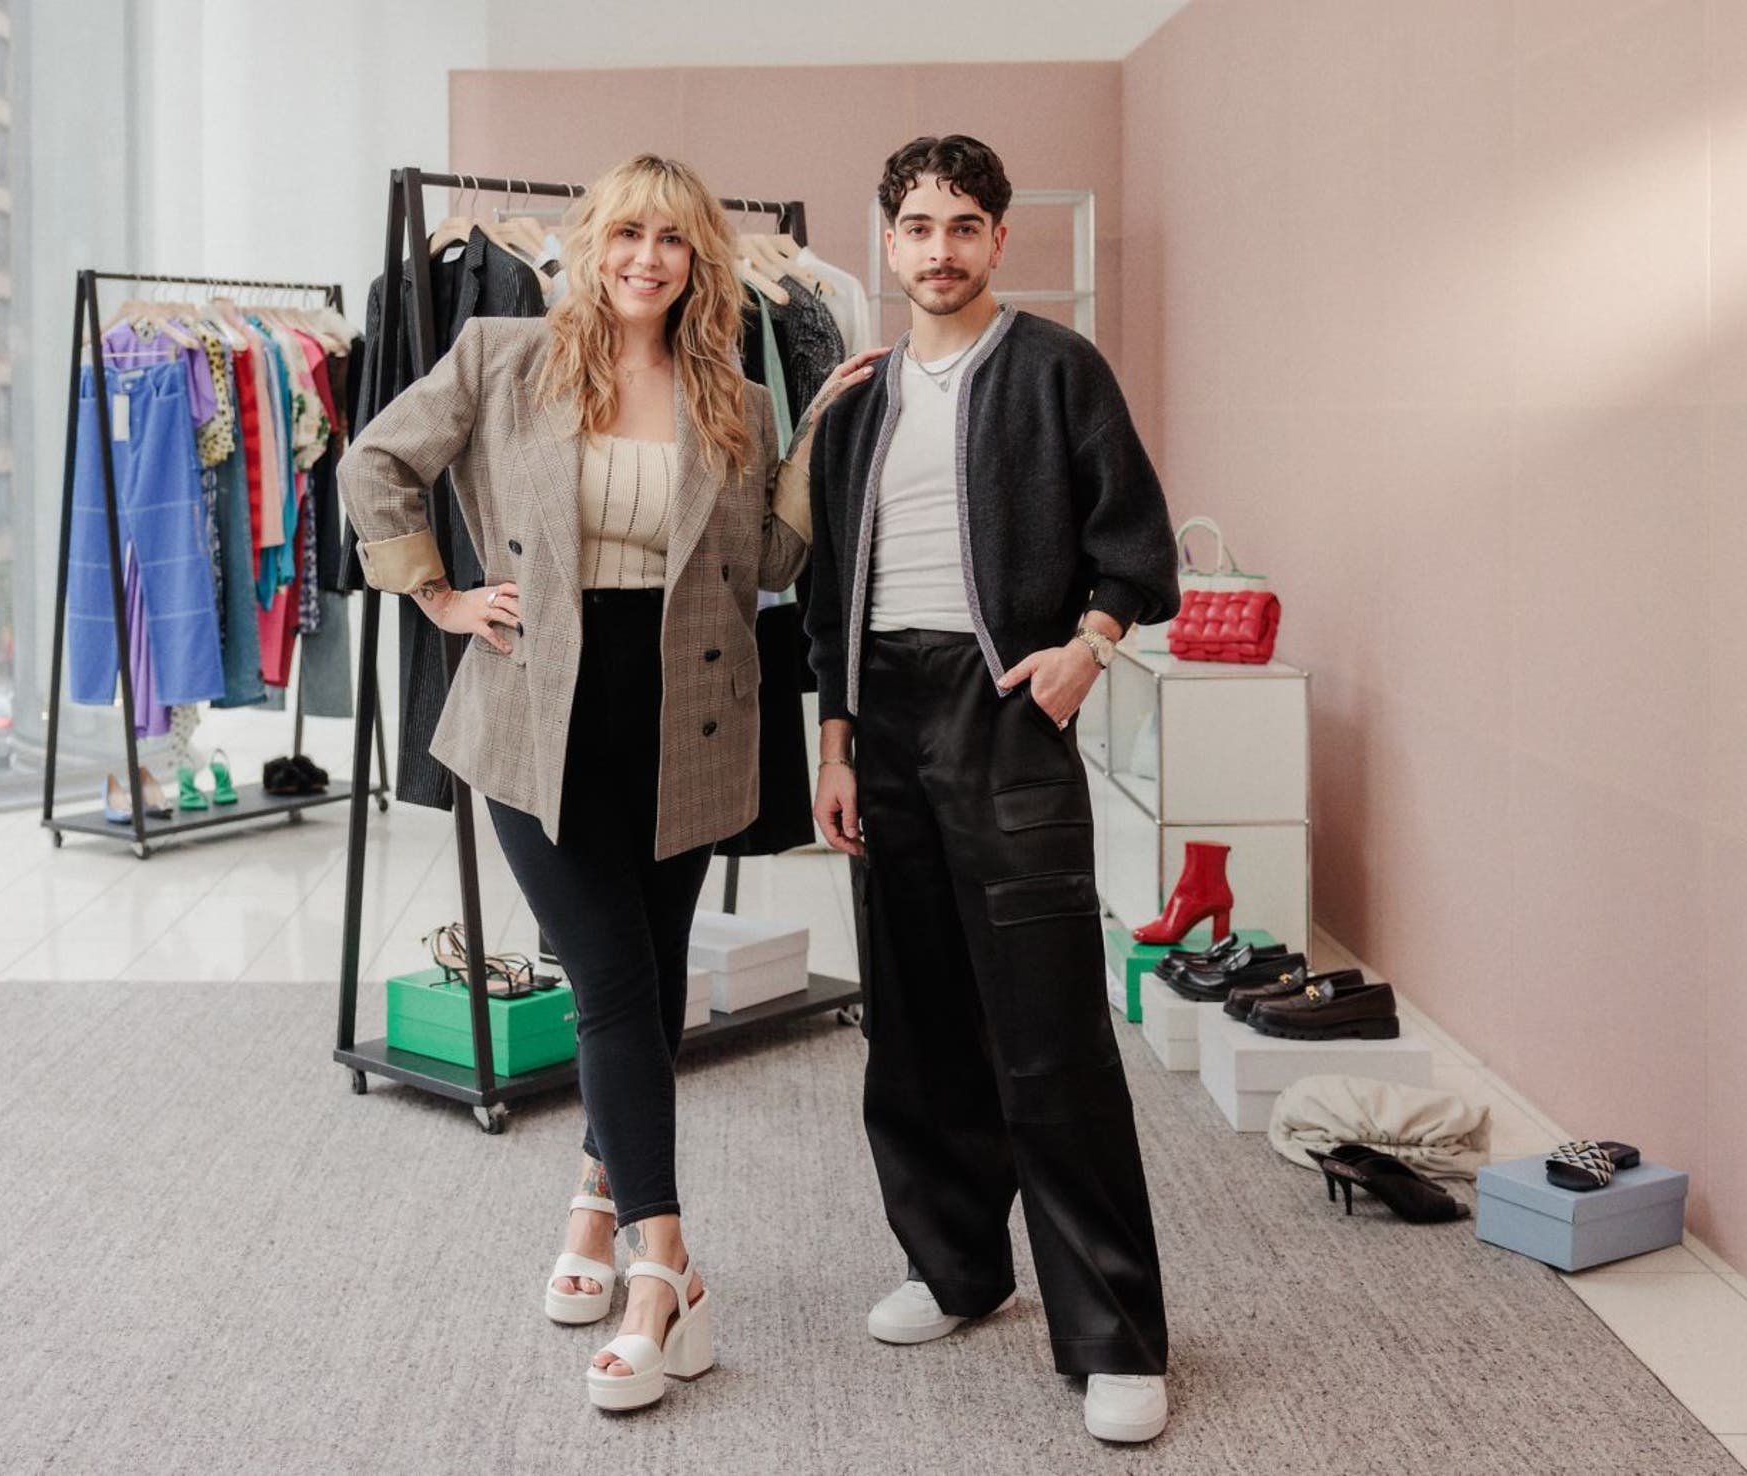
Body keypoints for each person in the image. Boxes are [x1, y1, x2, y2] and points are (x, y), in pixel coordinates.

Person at [341, 154, 881, 1412]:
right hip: (540, 709)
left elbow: (768, 558)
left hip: (689, 714)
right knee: (611, 986)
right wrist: (438, 594)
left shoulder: (733, 393)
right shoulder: (499, 354)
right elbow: (374, 464)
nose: (647, 257)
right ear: (589, 245)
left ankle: (593, 1204)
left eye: (672, 241)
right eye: (626, 233)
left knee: (644, 977)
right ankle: (666, 1267)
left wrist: (811, 438)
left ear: (701, 263)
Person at [802, 135, 1182, 1444]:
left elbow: (1136, 544)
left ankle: (1116, 1334)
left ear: (999, 240)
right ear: (888, 239)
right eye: (918, 225)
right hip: (884, 723)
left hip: (1005, 708)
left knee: (1049, 1033)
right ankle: (955, 1267)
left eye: (965, 224)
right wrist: (836, 742)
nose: (941, 248)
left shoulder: (1057, 369)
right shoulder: (853, 398)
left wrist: (1090, 648)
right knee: (910, 1022)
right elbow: (819, 592)